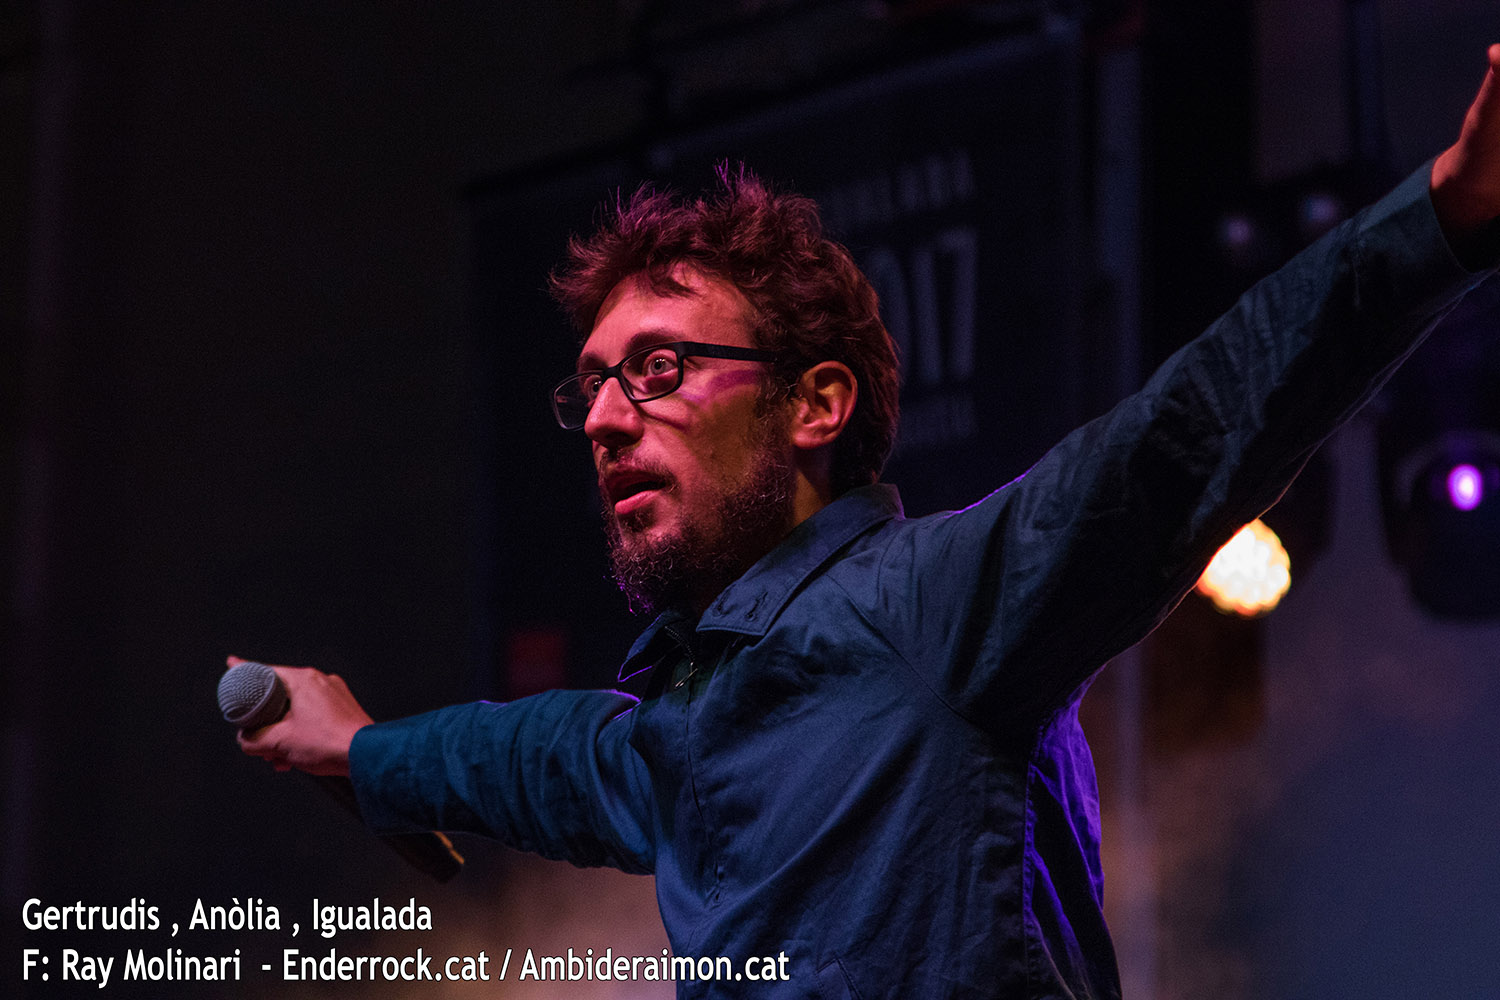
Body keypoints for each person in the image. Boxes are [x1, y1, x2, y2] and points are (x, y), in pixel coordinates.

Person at [235, 46, 1500, 1000]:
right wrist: (361, 748)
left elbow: (1191, 431)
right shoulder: (670, 737)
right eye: (596, 386)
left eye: (660, 367)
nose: (609, 417)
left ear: (815, 403)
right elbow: (525, 757)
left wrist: (1445, 216)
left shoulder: (934, 606)